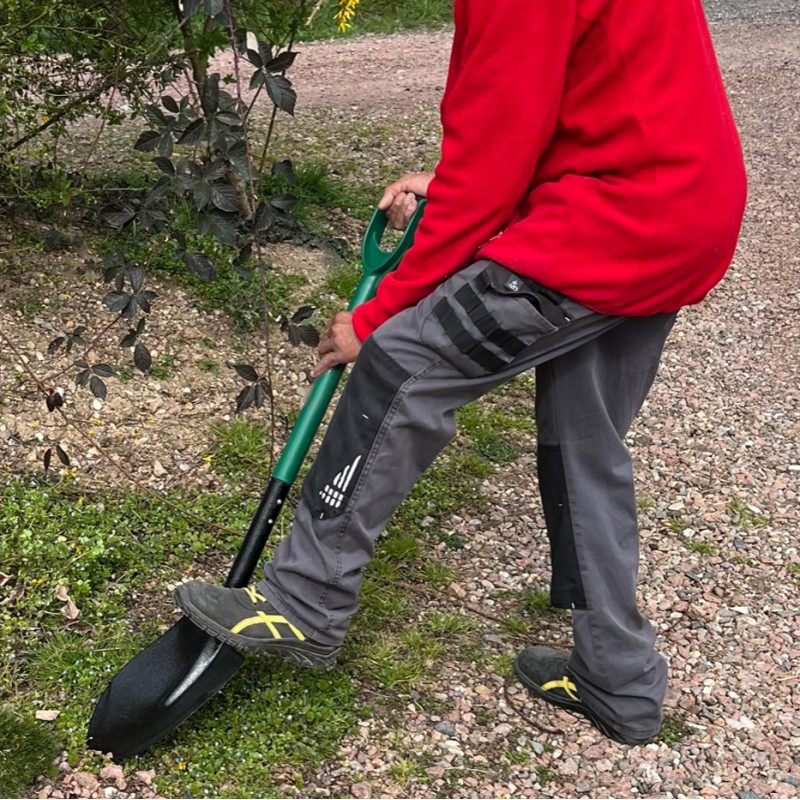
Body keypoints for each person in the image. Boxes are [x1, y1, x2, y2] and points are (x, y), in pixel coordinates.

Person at [174, 0, 746, 745]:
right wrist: (456, 181)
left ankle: (304, 601)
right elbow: (570, 103)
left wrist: (380, 317)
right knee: (585, 442)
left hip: (619, 219)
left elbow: (491, 165)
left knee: (403, 361)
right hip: (686, 208)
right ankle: (620, 678)